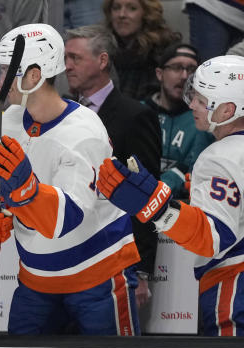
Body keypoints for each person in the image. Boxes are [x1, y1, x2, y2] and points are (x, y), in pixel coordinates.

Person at [0, 23, 141, 335]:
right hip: (36, 278)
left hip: (97, 277)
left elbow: (66, 219)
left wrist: (25, 190)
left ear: (34, 76)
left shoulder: (83, 132)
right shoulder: (9, 120)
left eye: (7, 70)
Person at [98, 55, 244, 336]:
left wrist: (156, 207)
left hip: (233, 286)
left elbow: (213, 238)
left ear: (227, 110)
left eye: (202, 100)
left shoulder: (219, 157)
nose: (192, 105)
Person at [64, 24, 162, 307]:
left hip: (114, 257)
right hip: (63, 254)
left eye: (76, 58)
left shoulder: (136, 116)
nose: (67, 66)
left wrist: (141, 269)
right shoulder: (61, 111)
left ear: (103, 61)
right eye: (66, 58)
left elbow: (146, 193)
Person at [144, 43, 213, 201]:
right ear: (159, 73)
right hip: (140, 200)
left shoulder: (205, 118)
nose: (184, 76)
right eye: (176, 67)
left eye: (191, 70)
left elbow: (195, 169)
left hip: (182, 205)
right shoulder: (139, 112)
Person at [102, 0, 180, 100]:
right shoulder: (103, 48)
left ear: (146, 13)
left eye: (132, 8)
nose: (121, 15)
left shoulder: (163, 49)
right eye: (116, 8)